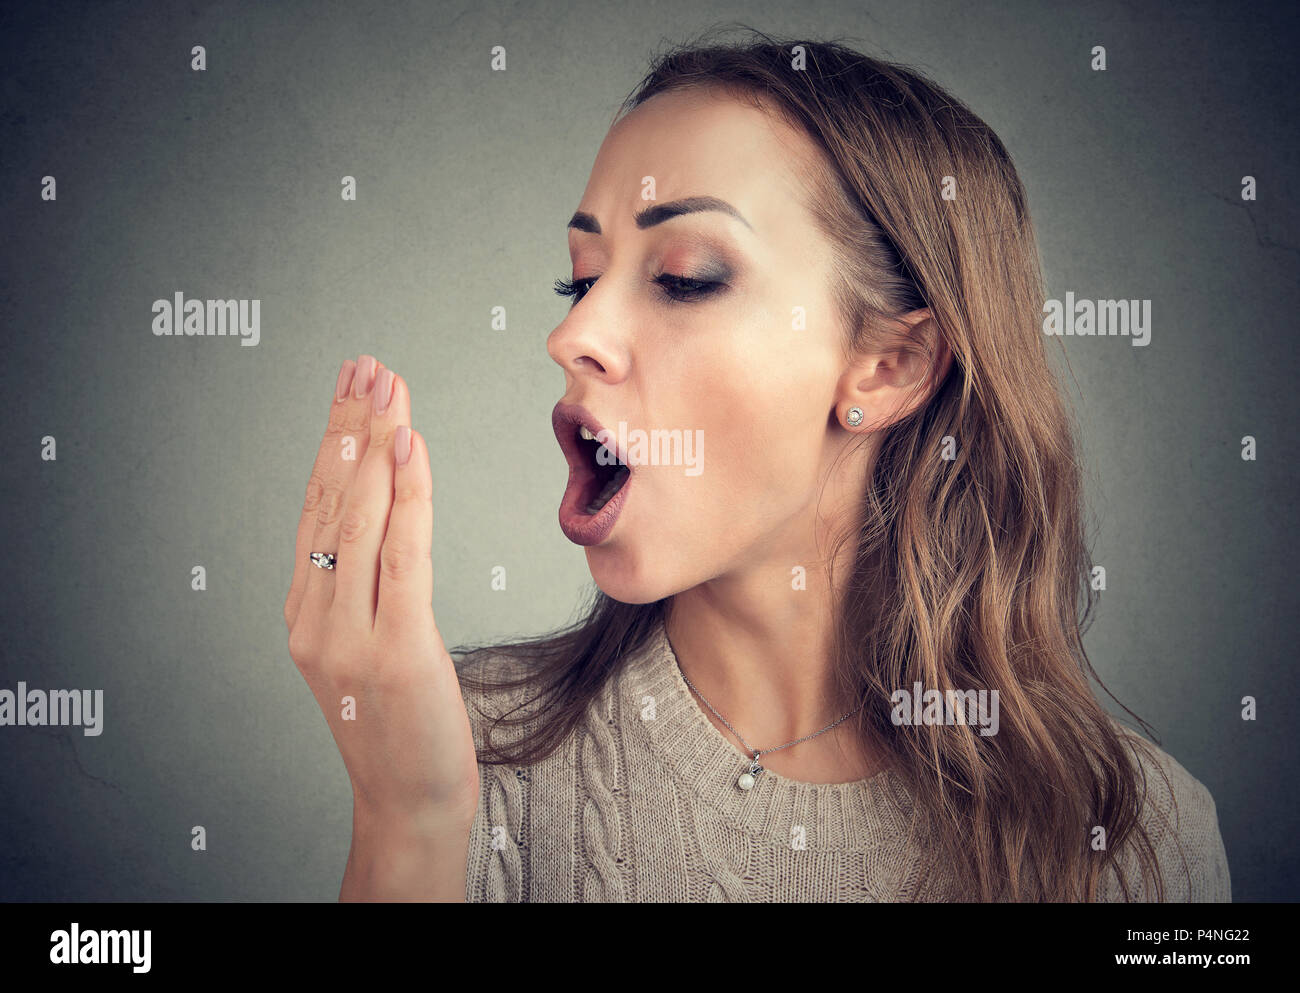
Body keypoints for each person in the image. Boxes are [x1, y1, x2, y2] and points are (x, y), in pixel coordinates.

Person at [283, 31, 1231, 902]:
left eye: (686, 277)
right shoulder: (456, 752)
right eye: (581, 277)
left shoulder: (1144, 838)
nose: (571, 333)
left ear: (888, 368)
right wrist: (409, 825)